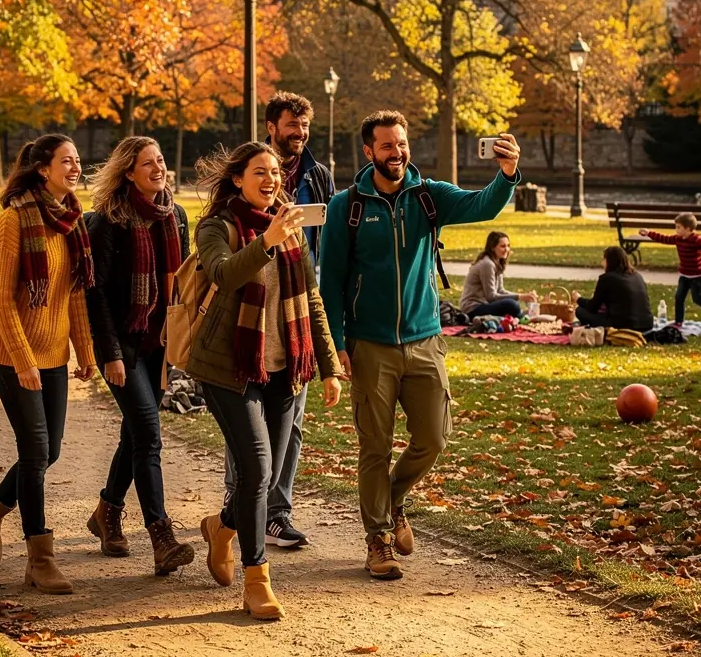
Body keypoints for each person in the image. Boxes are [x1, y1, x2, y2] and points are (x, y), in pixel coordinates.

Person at [319, 111, 521, 581]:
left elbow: (482, 206)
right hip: (369, 345)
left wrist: (507, 175)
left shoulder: (429, 196)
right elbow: (329, 283)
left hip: (425, 339)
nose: (398, 153)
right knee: (375, 445)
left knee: (433, 437)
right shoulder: (345, 207)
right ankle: (378, 539)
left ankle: (392, 499)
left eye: (402, 144)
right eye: (387, 147)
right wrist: (337, 345)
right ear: (368, 152)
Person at [187, 142, 343, 620]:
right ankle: (257, 580)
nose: (271, 179)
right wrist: (267, 241)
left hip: (282, 367)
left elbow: (311, 300)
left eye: (276, 172)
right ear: (238, 179)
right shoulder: (219, 227)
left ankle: (222, 526)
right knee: (256, 469)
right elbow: (222, 274)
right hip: (228, 367)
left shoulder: (289, 229)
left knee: (269, 475)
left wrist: (330, 365)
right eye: (260, 171)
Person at [0, 134, 96, 595]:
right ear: (43, 168)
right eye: (67, 160)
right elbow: (2, 298)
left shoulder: (72, 221)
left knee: (49, 451)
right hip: (9, 354)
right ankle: (40, 559)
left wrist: (85, 350)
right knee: (37, 452)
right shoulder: (13, 220)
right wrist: (23, 362)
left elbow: (74, 292)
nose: (76, 166)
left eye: (78, 160)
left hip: (53, 356)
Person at [224, 91, 334, 550]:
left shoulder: (317, 175)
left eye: (305, 125)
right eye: (292, 125)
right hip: (253, 310)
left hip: (298, 307)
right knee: (247, 425)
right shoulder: (254, 170)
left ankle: (277, 510)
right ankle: (239, 502)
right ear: (272, 125)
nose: (300, 133)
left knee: (293, 421)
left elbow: (326, 238)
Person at [85, 138, 196, 576]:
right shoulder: (108, 221)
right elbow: (97, 297)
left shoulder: (176, 215)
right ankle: (161, 535)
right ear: (128, 172)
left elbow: (182, 280)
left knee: (136, 433)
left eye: (161, 161)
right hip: (122, 344)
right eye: (148, 163)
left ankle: (107, 511)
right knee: (149, 432)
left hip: (158, 341)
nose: (158, 169)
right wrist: (110, 354)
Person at [639, 212, 701, 330]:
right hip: (684, 274)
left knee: (697, 299)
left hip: (697, 276)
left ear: (688, 229)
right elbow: (664, 238)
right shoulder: (678, 239)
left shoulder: (697, 240)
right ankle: (679, 322)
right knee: (679, 297)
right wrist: (649, 233)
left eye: (679, 227)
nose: (676, 230)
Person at [571, 245, 654, 331]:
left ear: (609, 261)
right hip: (647, 324)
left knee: (580, 311)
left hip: (622, 325)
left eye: (604, 259)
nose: (602, 263)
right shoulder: (637, 276)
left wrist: (578, 299)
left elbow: (592, 307)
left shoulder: (606, 278)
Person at [458, 231, 537, 319]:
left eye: (508, 246)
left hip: (485, 305)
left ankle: (522, 316)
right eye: (503, 246)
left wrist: (523, 295)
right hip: (472, 308)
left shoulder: (497, 262)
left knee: (511, 304)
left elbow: (500, 290)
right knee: (512, 305)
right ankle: (524, 317)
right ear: (492, 247)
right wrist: (520, 297)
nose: (507, 249)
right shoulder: (487, 264)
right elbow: (491, 297)